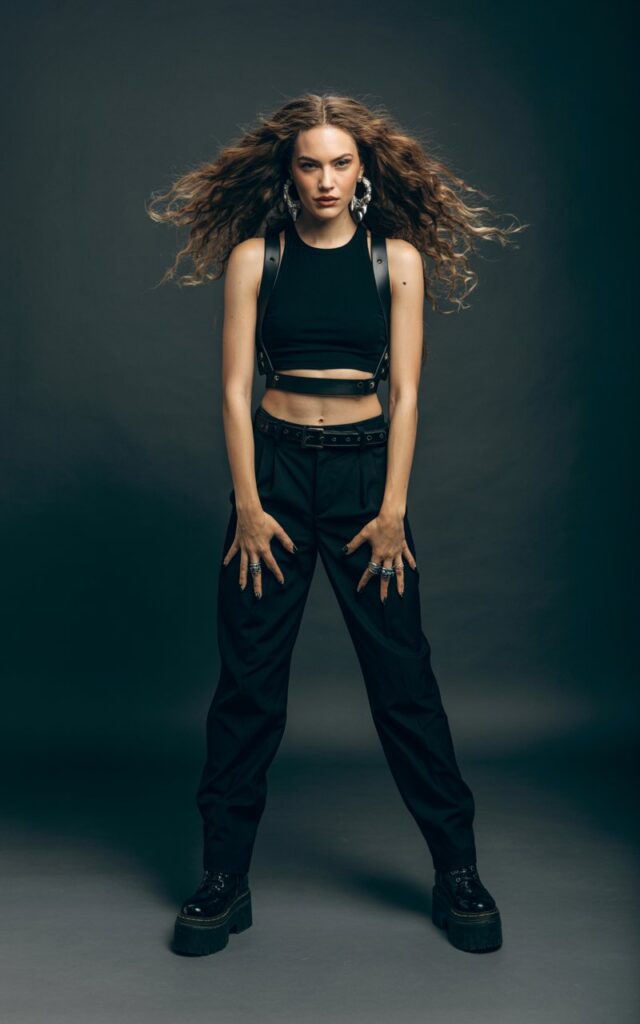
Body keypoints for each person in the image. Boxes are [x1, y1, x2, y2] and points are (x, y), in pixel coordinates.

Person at [147, 92, 526, 957]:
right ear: (288, 173)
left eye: (341, 163)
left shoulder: (398, 261)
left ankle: (457, 871)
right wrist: (248, 505)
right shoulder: (257, 259)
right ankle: (223, 879)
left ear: (365, 172)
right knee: (248, 690)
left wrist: (394, 512)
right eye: (310, 163)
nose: (325, 179)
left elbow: (410, 394)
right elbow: (235, 393)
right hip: (273, 480)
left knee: (404, 685)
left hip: (365, 482)